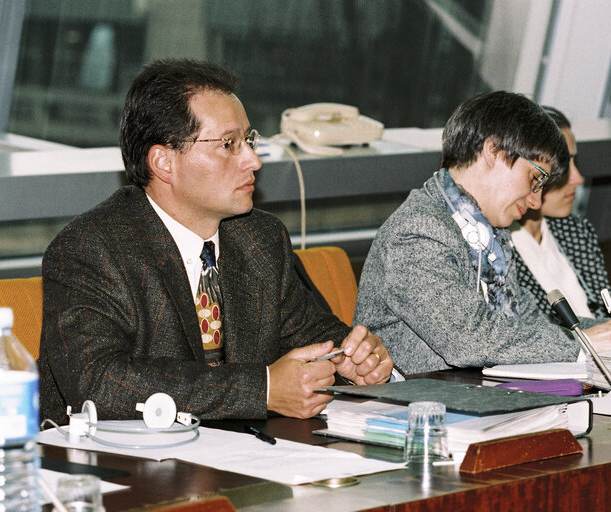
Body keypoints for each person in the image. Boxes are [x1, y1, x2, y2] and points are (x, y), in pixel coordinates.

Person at [38, 59, 393, 425]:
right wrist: (263, 389)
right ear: (163, 163)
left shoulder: (259, 238)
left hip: (243, 457)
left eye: (249, 141)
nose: (253, 160)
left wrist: (353, 358)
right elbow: (99, 381)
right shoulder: (91, 248)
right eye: (229, 144)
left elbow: (311, 335)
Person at [354, 91, 611, 375]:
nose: (535, 200)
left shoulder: (490, 233)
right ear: (494, 152)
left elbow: (533, 323)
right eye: (535, 179)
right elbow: (469, 340)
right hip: (426, 424)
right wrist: (585, 345)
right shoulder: (418, 231)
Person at [511, 106, 611, 321]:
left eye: (575, 162)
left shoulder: (576, 230)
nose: (577, 178)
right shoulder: (492, 248)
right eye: (562, 166)